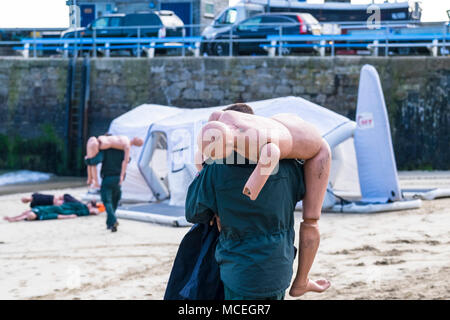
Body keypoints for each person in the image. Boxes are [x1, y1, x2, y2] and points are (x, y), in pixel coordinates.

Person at [186, 103, 331, 299]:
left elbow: (194, 212)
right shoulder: (289, 164)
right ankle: (302, 280)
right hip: (279, 266)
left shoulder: (217, 167)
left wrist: (213, 204)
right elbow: (303, 191)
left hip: (239, 269)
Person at [99, 143, 127, 232]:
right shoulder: (121, 149)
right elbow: (127, 159)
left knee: (107, 201)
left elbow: (96, 160)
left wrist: (88, 160)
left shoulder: (104, 150)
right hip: (118, 178)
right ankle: (110, 224)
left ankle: (113, 220)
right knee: (114, 201)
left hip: (107, 178)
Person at [4, 201, 100, 222]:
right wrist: (68, 217)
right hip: (61, 210)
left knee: (76, 207)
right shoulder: (41, 216)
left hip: (60, 207)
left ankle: (13, 219)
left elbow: (23, 215)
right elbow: (56, 216)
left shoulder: (36, 211)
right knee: (77, 210)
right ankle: (90, 210)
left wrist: (13, 218)